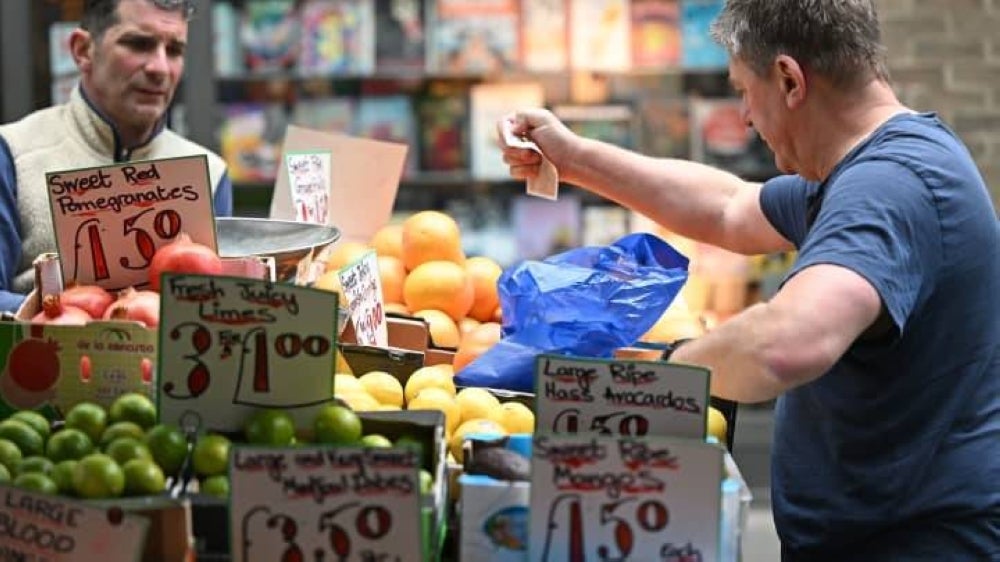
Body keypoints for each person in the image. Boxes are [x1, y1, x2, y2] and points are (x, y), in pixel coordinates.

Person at [498, 0, 999, 560]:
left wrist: (643, 379)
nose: (744, 118)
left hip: (914, 544)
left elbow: (784, 345)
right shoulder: (877, 168)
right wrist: (574, 157)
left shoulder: (887, 188)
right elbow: (728, 208)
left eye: (743, 89)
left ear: (789, 79)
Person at [0, 0, 233, 312]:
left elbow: (215, 309)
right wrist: (73, 316)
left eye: (175, 50)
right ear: (83, 50)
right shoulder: (13, 151)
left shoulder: (210, 172)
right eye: (139, 44)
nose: (160, 68)